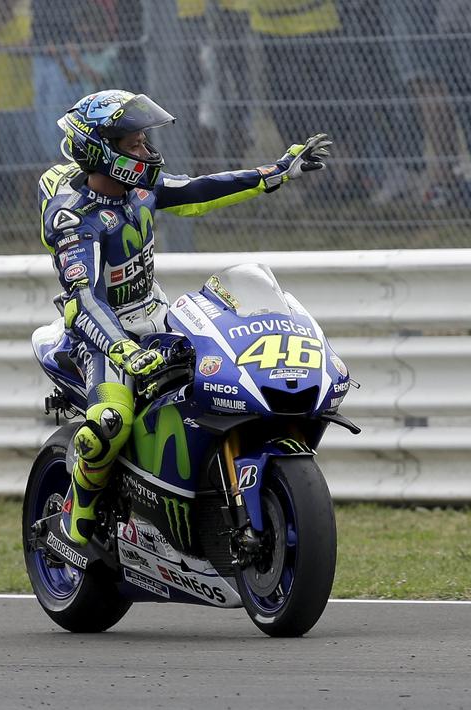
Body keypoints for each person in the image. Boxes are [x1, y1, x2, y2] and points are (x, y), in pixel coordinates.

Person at [41, 89, 331, 545]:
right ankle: (75, 519)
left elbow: (200, 189)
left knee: (219, 372)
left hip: (155, 314)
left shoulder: (141, 189)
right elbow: (83, 301)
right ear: (100, 150)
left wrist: (276, 172)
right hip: (101, 337)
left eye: (143, 141)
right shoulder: (74, 219)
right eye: (133, 144)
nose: (145, 151)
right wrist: (122, 348)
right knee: (109, 423)